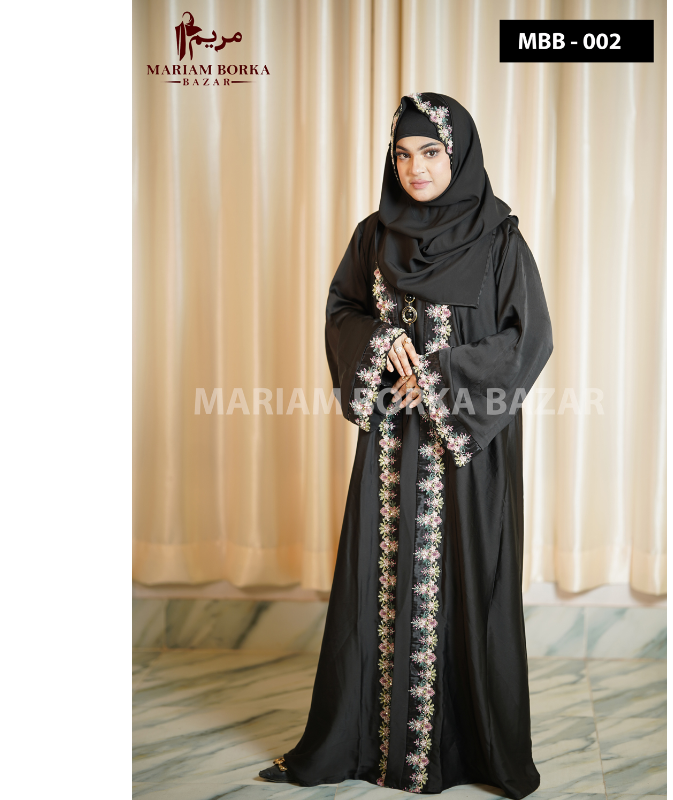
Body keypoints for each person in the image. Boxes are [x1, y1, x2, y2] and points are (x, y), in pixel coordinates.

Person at [259, 92, 552, 798]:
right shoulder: (374, 237)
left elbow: (528, 339)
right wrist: (381, 339)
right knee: (379, 582)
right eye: (402, 154)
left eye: (430, 152)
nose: (415, 167)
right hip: (392, 446)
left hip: (467, 451)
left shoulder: (500, 240)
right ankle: (365, 744)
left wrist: (444, 375)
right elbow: (343, 311)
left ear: (459, 156)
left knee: (471, 587)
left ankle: (474, 752)